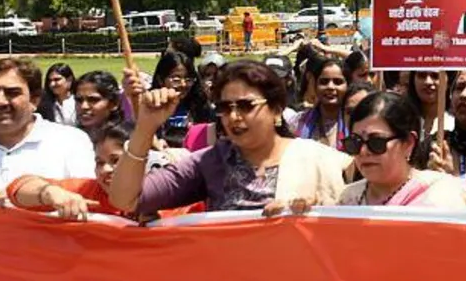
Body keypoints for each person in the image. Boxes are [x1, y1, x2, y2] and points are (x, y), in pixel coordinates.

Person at [111, 61, 349, 215]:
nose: (234, 117)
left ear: (277, 109)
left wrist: (319, 210)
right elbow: (125, 199)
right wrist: (145, 127)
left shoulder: (319, 159)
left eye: (246, 106)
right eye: (225, 107)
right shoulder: (210, 162)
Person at [0, 58, 94, 202]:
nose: (0, 101)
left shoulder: (71, 142)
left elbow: (88, 202)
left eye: (12, 93)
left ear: (34, 100)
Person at [339, 92, 466, 208]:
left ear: (408, 143)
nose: (363, 151)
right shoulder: (347, 200)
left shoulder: (444, 195)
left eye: (376, 142)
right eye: (355, 143)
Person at [5, 122, 140, 221]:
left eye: (116, 160)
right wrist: (49, 193)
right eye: (99, 162)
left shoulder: (160, 196)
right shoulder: (88, 191)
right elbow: (17, 188)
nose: (105, 169)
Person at [294, 57, 350, 148]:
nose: (330, 87)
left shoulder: (355, 124)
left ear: (348, 85)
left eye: (338, 82)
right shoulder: (297, 123)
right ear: (315, 85)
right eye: (324, 82)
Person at [73, 70, 125, 137]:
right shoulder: (71, 138)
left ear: (114, 103)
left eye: (93, 100)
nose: (84, 106)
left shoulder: (125, 141)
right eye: (79, 100)